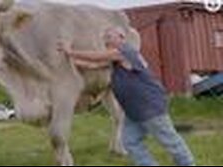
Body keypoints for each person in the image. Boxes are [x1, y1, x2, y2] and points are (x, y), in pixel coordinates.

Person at [57, 27, 195, 166]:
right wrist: (67, 61)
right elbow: (93, 65)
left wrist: (71, 52)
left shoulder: (125, 51)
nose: (105, 41)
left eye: (109, 37)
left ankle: (187, 164)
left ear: (121, 37)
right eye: (104, 38)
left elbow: (97, 56)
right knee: (131, 141)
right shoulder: (116, 59)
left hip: (148, 105)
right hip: (133, 110)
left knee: (169, 140)